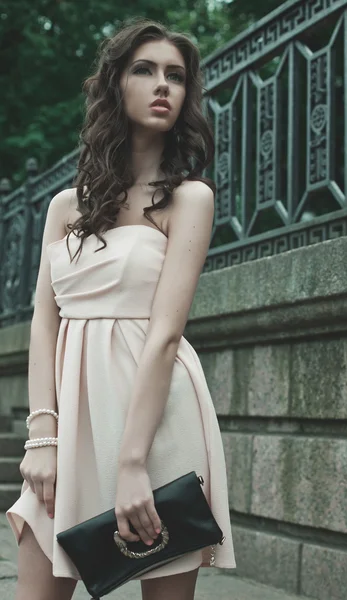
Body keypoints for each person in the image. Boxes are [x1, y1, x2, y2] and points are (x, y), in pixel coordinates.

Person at [6, 17, 236, 600]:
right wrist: (42, 436)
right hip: (71, 420)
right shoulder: (64, 206)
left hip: (154, 423)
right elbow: (44, 319)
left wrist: (133, 463)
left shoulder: (190, 199)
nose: (163, 85)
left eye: (176, 76)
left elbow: (164, 336)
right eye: (145, 69)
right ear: (116, 84)